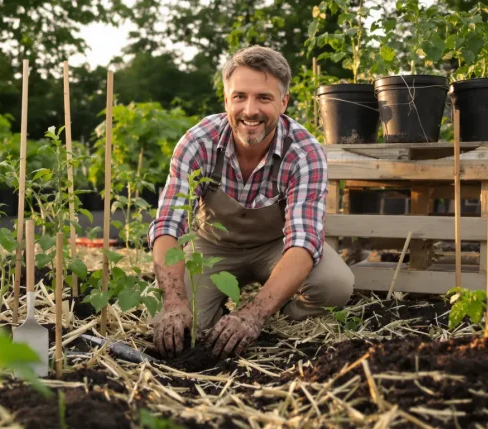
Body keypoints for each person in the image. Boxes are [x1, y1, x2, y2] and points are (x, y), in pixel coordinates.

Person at [147, 45, 354, 360]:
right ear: (227, 99)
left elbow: (303, 242)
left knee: (335, 285)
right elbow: (168, 225)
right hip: (212, 248)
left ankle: (278, 314)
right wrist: (174, 303)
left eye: (264, 98)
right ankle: (216, 319)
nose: (250, 110)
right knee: (184, 331)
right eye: (240, 96)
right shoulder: (198, 142)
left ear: (283, 102)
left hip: (276, 248)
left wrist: (255, 313)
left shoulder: (304, 152)